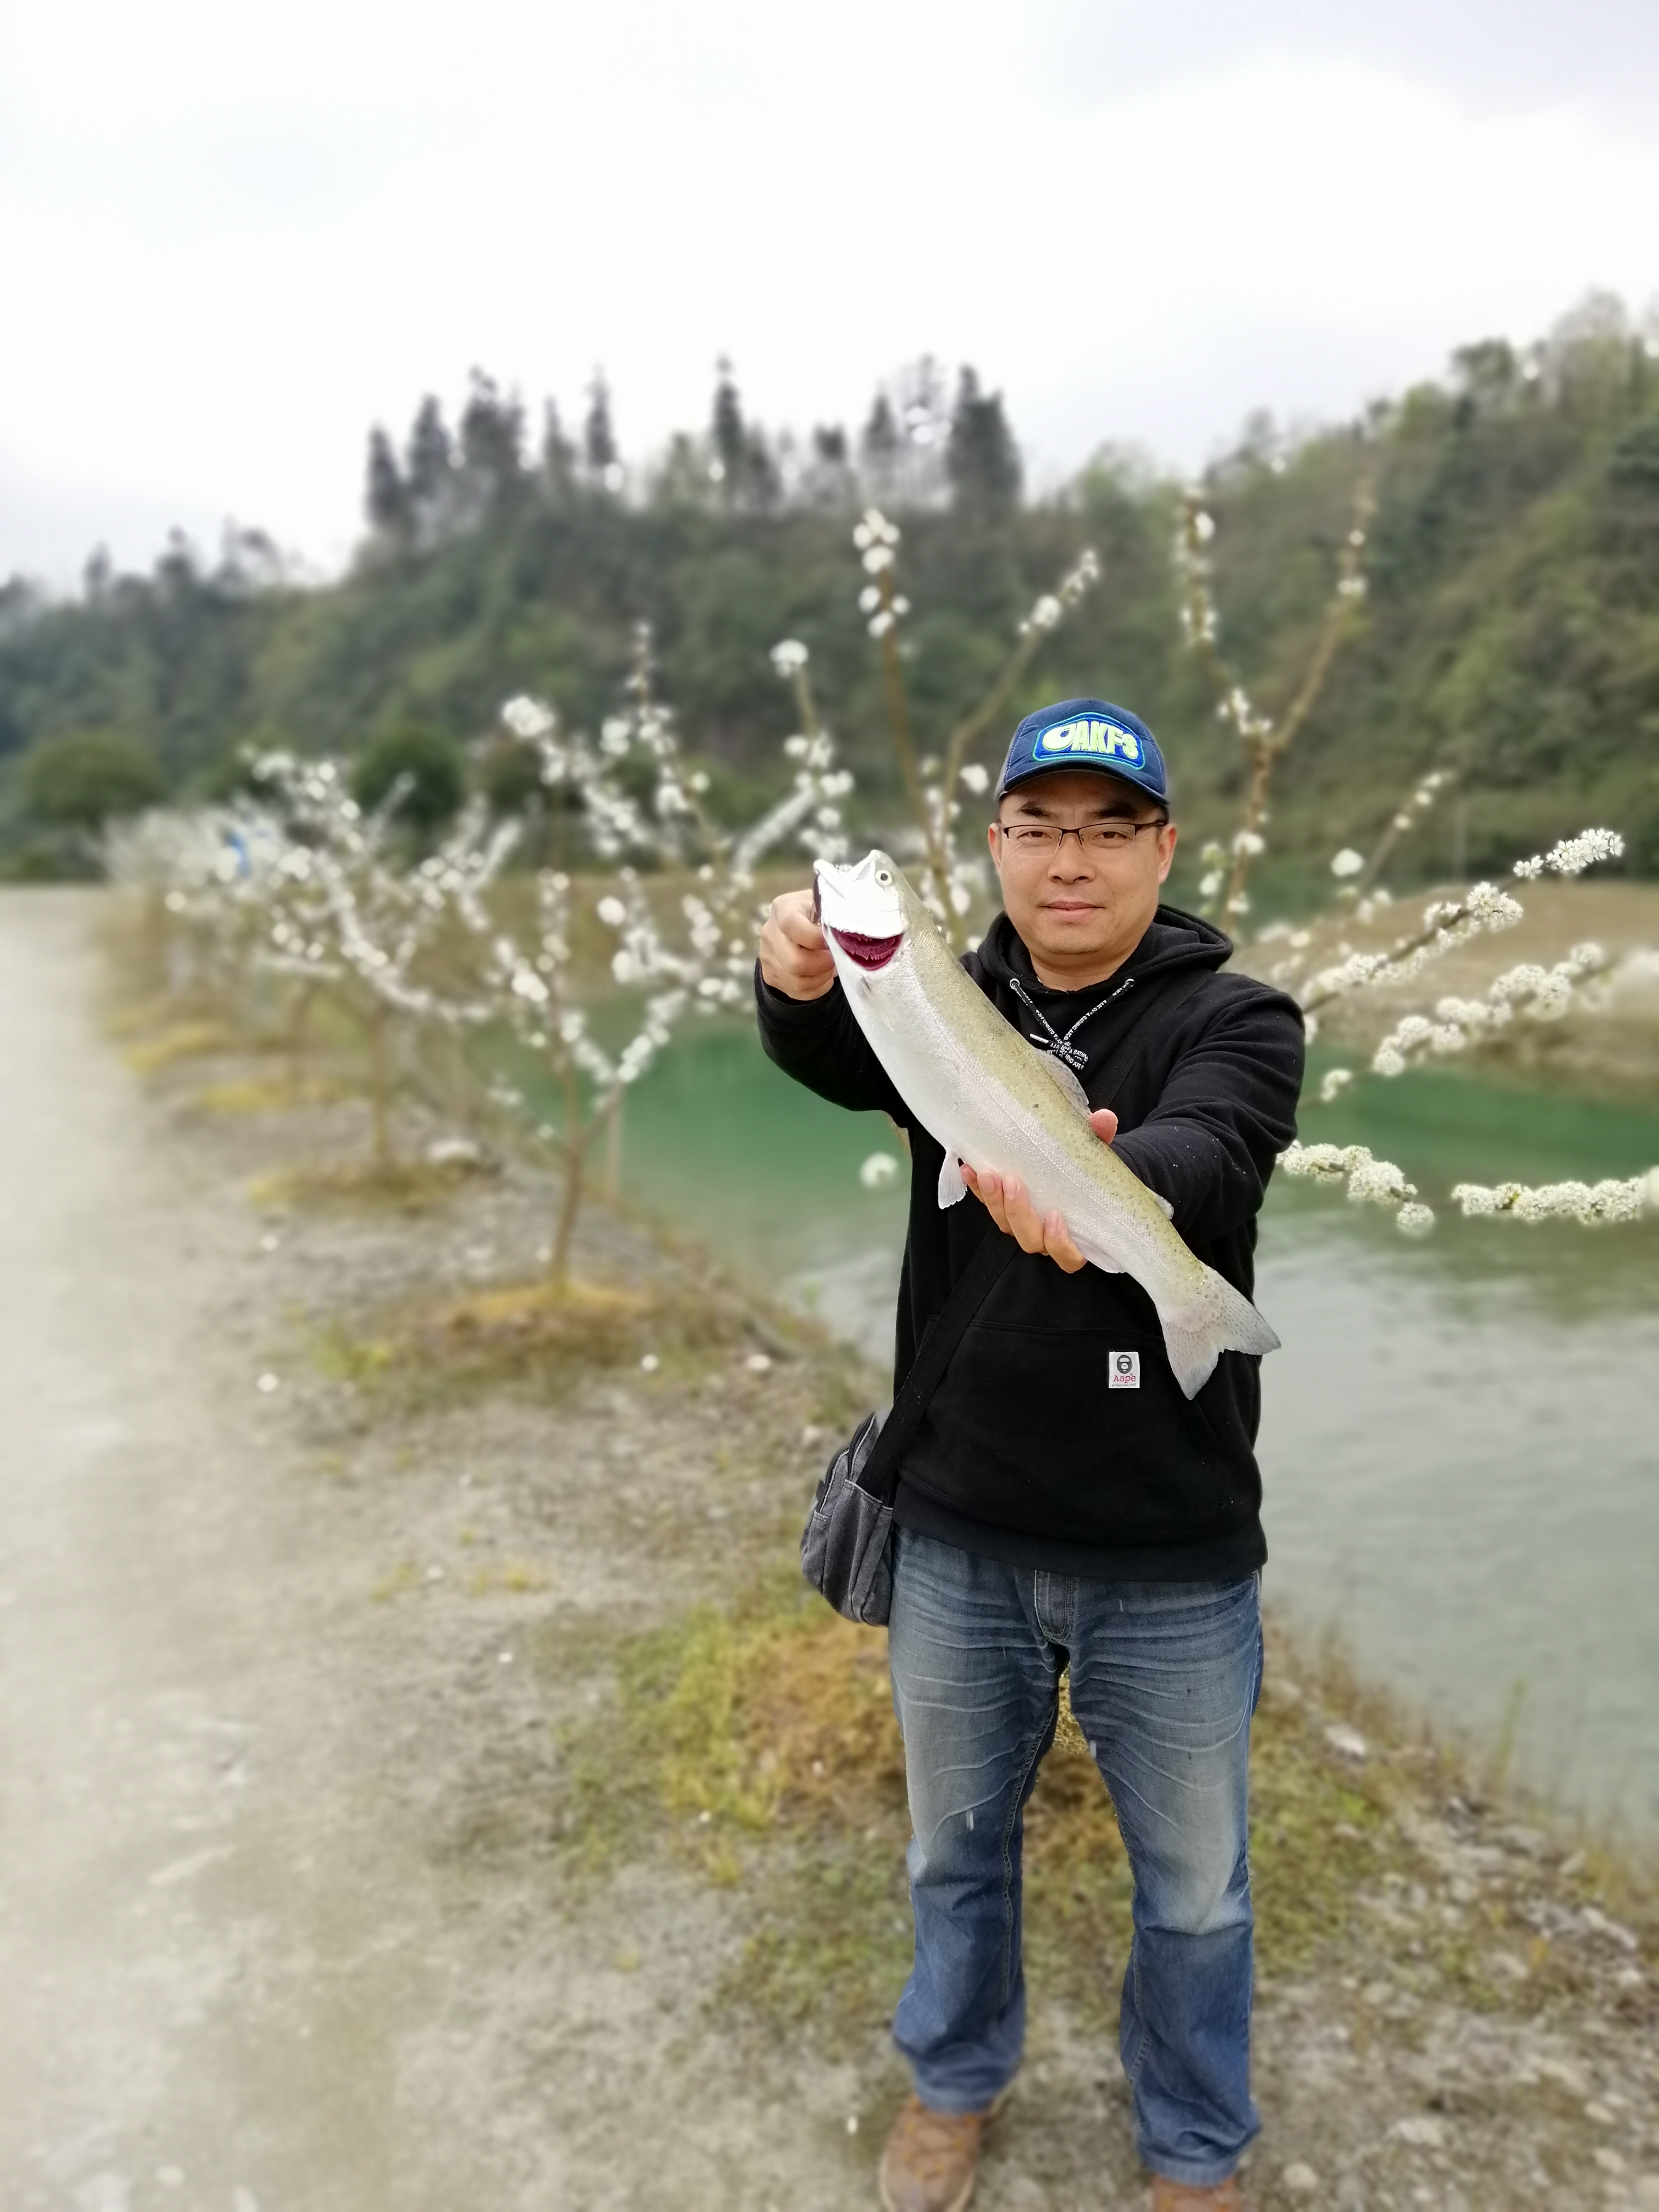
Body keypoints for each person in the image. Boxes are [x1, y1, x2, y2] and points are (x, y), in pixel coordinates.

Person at [755, 698, 1305, 2212]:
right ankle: (953, 2082)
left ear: (1163, 847)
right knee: (953, 1849)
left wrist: (1101, 1184)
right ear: (994, 847)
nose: (1072, 860)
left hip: (1171, 1542)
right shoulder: (935, 989)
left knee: (1196, 1892)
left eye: (1108, 828)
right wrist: (793, 974)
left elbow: (1214, 1148)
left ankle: (1194, 2152)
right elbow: (821, 1047)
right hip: (960, 1529)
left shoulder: (1237, 1018)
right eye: (1039, 827)